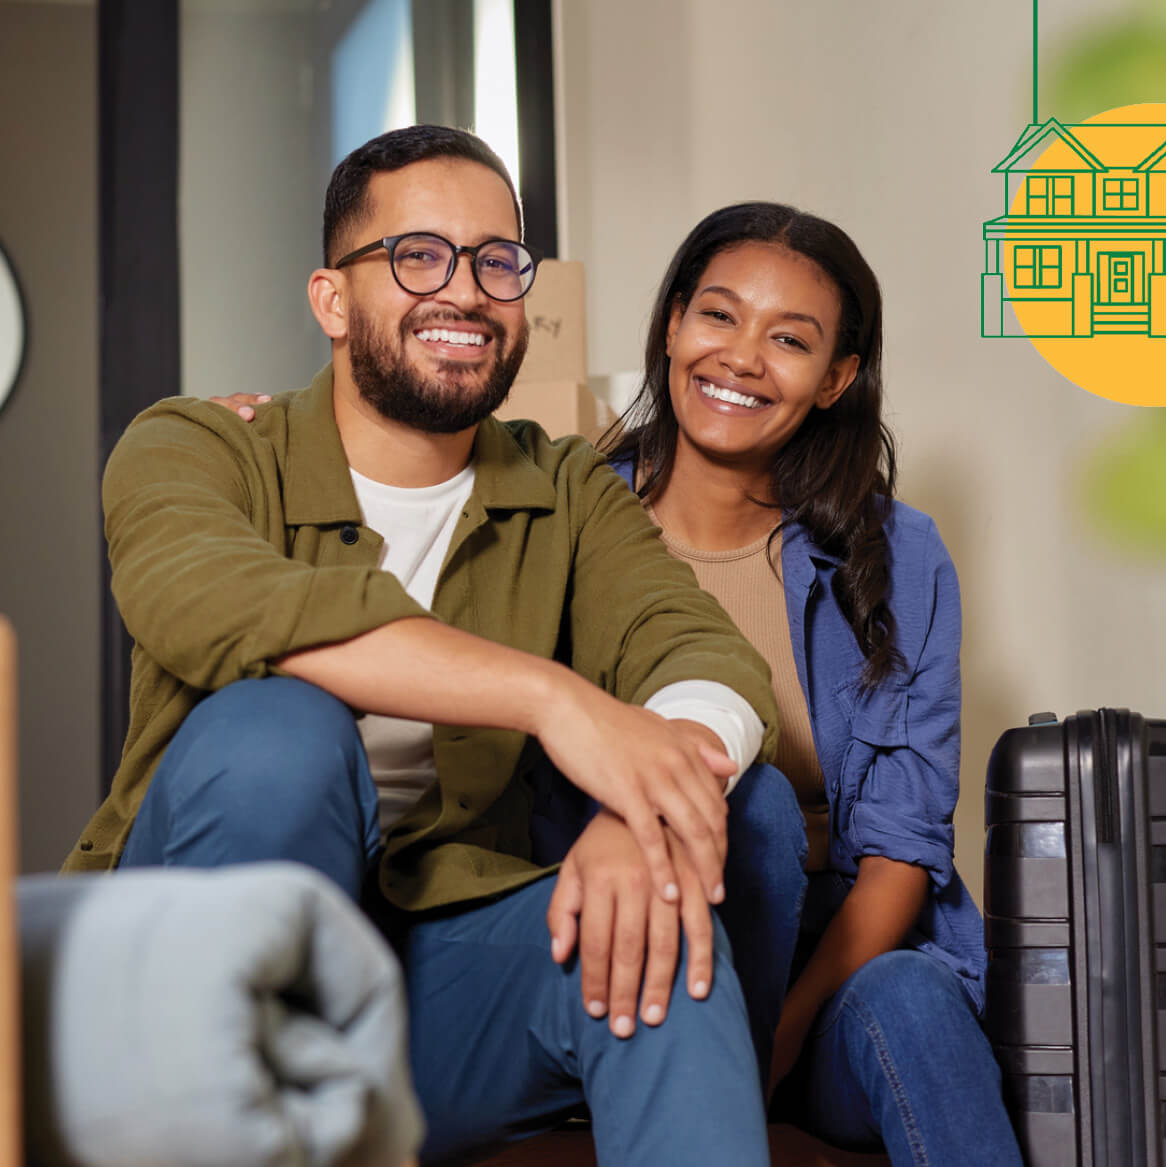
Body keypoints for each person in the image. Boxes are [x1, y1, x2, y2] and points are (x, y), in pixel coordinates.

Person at [67, 126, 788, 1166]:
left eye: (497, 261)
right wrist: (557, 700)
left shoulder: (567, 487)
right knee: (281, 732)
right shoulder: (197, 444)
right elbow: (213, 602)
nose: (465, 291)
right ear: (330, 299)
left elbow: (705, 656)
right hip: (181, 979)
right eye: (416, 256)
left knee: (653, 932)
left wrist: (648, 805)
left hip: (429, 977)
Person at [596, 203, 1025, 1163]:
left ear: (835, 379)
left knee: (914, 994)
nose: (742, 357)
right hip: (648, 955)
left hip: (829, 973)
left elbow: (902, 851)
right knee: (746, 797)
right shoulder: (572, 521)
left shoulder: (896, 554)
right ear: (671, 325)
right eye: (717, 316)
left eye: (788, 339)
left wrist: (774, 1036)